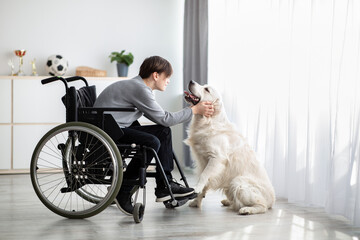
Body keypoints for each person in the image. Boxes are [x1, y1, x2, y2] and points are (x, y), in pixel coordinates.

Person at [94, 56, 214, 215]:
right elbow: (165, 119)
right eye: (167, 77)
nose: (168, 81)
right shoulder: (139, 89)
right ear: (156, 75)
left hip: (113, 126)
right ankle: (123, 190)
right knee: (152, 141)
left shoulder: (137, 87)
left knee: (162, 132)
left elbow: (162, 121)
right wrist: (194, 110)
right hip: (108, 131)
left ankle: (165, 185)